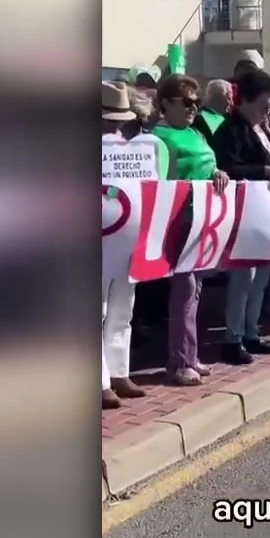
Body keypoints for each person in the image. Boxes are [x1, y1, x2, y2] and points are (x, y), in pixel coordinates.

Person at [152, 73, 230, 385]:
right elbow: (159, 180)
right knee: (184, 291)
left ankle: (190, 354)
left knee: (195, 290)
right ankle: (179, 361)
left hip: (203, 219)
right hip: (179, 220)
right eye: (185, 103)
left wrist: (218, 173)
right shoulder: (159, 137)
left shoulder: (195, 134)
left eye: (196, 103)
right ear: (165, 104)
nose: (192, 109)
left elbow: (208, 165)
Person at [211, 68, 270, 362]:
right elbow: (229, 168)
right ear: (245, 101)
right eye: (264, 105)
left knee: (260, 278)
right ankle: (233, 338)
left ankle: (250, 332)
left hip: (264, 212)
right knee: (243, 278)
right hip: (243, 212)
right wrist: (263, 171)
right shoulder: (230, 130)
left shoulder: (259, 129)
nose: (268, 111)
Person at [101, 82, 158, 411]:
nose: (115, 126)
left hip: (126, 236)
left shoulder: (134, 149)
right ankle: (101, 381)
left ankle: (119, 371)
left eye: (118, 120)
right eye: (109, 119)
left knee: (124, 306)